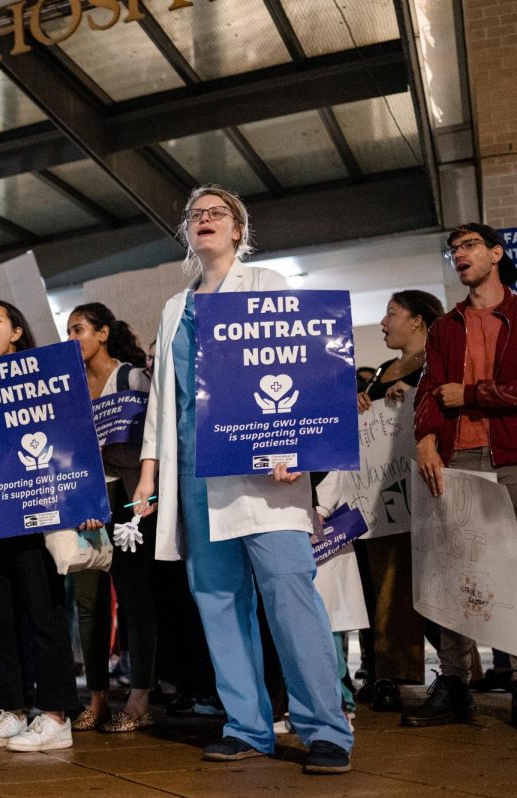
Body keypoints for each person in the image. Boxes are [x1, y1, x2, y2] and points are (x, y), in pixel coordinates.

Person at [130, 185, 354, 775]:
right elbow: (163, 401)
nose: (204, 221)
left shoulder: (268, 285)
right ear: (187, 232)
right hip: (198, 477)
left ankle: (325, 729)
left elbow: (299, 368)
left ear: (237, 229)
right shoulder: (174, 308)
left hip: (266, 475)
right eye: (195, 215)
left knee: (289, 596)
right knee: (219, 603)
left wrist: (300, 445)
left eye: (216, 214)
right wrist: (149, 475)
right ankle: (247, 726)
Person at [0, 300, 99, 753]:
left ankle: (56, 714)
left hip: (39, 515)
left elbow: (74, 441)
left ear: (16, 332)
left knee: (43, 611)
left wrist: (85, 502)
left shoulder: (49, 379)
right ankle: (12, 710)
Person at [408, 223, 517, 726]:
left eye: (469, 245)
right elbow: (429, 390)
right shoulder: (444, 327)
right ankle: (453, 682)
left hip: (512, 458)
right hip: (457, 461)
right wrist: (426, 438)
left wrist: (473, 394)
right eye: (452, 249)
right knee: (453, 575)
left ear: (496, 253)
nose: (459, 255)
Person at [66, 303, 160, 733]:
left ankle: (140, 696)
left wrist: (147, 492)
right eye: (68, 331)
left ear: (103, 333)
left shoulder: (132, 377)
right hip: (86, 499)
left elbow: (151, 440)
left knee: (136, 595)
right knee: (89, 602)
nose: (72, 338)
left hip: (127, 497)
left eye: (79, 329)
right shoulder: (67, 388)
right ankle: (98, 697)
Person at [350, 290, 444, 712]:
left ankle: (454, 671)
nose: (384, 323)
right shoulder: (386, 368)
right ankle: (385, 670)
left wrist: (416, 394)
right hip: (382, 495)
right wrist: (363, 403)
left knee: (424, 584)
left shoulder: (436, 363)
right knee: (383, 584)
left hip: (422, 489)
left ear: (419, 321)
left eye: (391, 314)